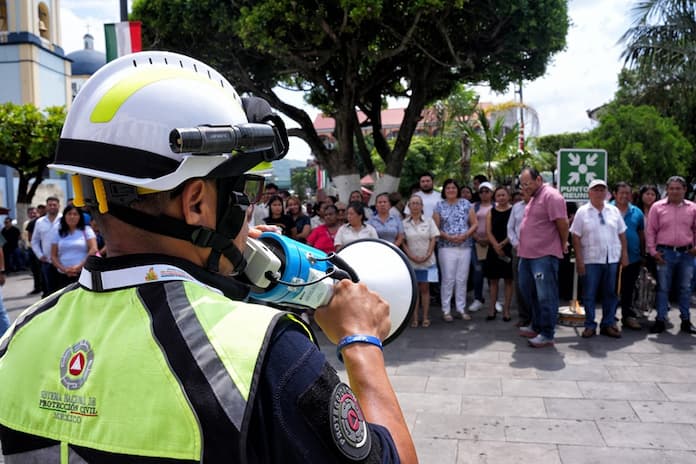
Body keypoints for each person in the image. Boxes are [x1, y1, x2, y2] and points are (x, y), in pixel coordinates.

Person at [0, 51, 416, 463]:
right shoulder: (265, 351)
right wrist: (360, 339)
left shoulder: (20, 337)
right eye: (244, 194)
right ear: (197, 203)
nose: (249, 216)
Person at [517, 167, 569, 348]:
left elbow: (562, 223)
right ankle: (536, 325)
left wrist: (563, 243)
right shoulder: (533, 197)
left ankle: (547, 333)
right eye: (522, 184)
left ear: (538, 179)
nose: (525, 187)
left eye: (527, 183)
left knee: (545, 295)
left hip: (544, 255)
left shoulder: (551, 196)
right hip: (527, 255)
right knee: (529, 292)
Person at [570, 179, 628, 339]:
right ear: (589, 192)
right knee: (589, 294)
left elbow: (622, 234)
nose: (599, 193)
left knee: (611, 293)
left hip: (611, 259)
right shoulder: (582, 212)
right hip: (591, 259)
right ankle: (589, 325)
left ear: (607, 193)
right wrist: (580, 261)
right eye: (595, 190)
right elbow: (575, 238)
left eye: (602, 190)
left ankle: (608, 324)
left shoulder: (613, 210)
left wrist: (624, 254)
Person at [646, 176, 696, 334]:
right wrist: (653, 251)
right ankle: (660, 319)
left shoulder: (693, 208)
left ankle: (686, 321)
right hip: (664, 253)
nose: (674, 191)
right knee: (663, 288)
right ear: (667, 189)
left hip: (687, 253)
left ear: (685, 190)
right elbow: (650, 231)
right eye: (672, 188)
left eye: (678, 188)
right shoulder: (657, 207)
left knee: (685, 288)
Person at [433, 179, 478, 322]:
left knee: (462, 279)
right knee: (448, 279)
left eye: (453, 187)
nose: (451, 190)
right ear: (444, 191)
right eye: (448, 188)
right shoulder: (439, 205)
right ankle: (446, 310)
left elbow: (474, 223)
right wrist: (448, 237)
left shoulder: (466, 204)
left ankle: (461, 308)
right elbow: (436, 228)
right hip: (446, 247)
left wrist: (465, 235)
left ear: (457, 189)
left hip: (464, 246)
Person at [610, 181, 645, 330]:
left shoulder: (637, 212)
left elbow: (641, 234)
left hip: (633, 257)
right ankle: (610, 317)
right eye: (621, 193)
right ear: (614, 194)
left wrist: (643, 254)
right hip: (610, 257)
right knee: (611, 289)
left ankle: (628, 316)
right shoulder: (606, 209)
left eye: (627, 193)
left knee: (628, 289)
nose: (625, 196)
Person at [402, 194, 439, 328]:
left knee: (425, 288)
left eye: (418, 203)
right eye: (413, 203)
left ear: (422, 206)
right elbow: (403, 242)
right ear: (409, 206)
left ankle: (425, 317)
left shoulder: (429, 221)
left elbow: (433, 239)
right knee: (414, 289)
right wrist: (410, 255)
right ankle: (414, 318)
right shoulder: (404, 223)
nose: (415, 206)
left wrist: (428, 254)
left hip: (427, 261)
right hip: (411, 261)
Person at [50, 205, 99, 290]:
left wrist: (78, 267)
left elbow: (93, 249)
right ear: (64, 216)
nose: (72, 217)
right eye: (69, 214)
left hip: (83, 273)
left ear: (80, 216)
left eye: (75, 214)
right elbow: (53, 255)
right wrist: (65, 269)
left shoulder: (86, 230)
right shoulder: (58, 232)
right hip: (63, 274)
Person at [484, 186, 514, 321]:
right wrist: (496, 245)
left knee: (508, 280)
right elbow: (488, 231)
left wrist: (503, 243)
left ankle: (506, 310)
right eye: (498, 195)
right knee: (493, 280)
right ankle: (492, 308)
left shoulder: (513, 211)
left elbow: (515, 229)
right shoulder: (491, 211)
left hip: (509, 248)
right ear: (495, 197)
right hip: (493, 248)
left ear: (508, 196)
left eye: (503, 195)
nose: (501, 198)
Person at [469, 181, 495, 313]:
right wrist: (477, 238)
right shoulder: (473, 206)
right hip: (476, 243)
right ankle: (478, 299)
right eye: (482, 191)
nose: (484, 194)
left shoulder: (496, 206)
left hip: (492, 243)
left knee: (492, 272)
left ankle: (494, 300)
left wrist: (490, 240)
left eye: (487, 191)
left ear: (492, 193)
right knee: (478, 271)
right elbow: (470, 224)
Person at [507, 188, 531, 327]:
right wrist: (515, 243)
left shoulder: (539, 205)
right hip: (518, 249)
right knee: (519, 283)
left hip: (536, 250)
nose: (524, 195)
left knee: (534, 284)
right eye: (522, 192)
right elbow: (510, 228)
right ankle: (524, 316)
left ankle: (536, 316)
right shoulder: (516, 207)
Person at [30, 195, 61, 297]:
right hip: (47, 262)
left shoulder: (64, 219)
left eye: (54, 205)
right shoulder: (40, 222)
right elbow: (34, 241)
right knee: (49, 291)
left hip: (64, 261)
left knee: (64, 290)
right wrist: (39, 255)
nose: (52, 207)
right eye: (50, 205)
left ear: (59, 206)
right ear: (46, 207)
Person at [24, 206, 43, 294]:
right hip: (30, 249)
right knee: (34, 270)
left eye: (34, 212)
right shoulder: (28, 223)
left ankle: (43, 287)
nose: (33, 214)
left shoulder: (41, 222)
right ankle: (37, 287)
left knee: (40, 270)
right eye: (31, 213)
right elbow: (27, 237)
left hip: (39, 249)